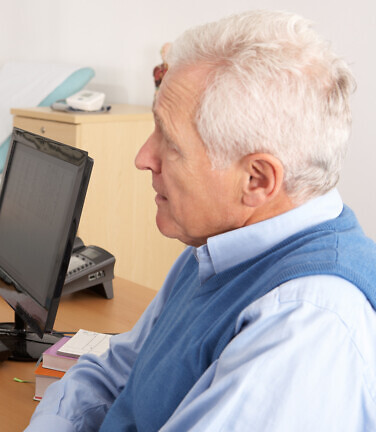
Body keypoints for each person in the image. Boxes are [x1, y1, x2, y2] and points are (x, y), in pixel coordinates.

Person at [27, 10, 376, 431]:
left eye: (169, 142)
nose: (143, 158)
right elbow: (115, 373)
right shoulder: (219, 249)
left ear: (256, 179)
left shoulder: (304, 326)